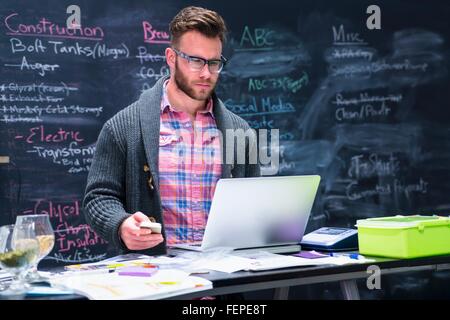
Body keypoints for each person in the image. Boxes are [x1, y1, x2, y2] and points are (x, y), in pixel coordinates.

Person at [83, 6, 260, 256]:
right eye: (196, 61)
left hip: (223, 278)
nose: (206, 73)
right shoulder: (122, 127)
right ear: (171, 57)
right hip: (155, 283)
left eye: (214, 62)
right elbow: (98, 198)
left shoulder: (241, 132)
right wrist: (120, 225)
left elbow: (255, 204)